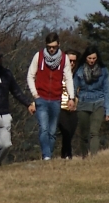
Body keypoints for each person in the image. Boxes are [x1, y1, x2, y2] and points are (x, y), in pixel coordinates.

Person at [27, 32, 75, 160]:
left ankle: (49, 155)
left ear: (58, 45)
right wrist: (34, 94)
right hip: (41, 98)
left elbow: (68, 78)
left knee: (52, 131)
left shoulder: (64, 58)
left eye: (54, 46)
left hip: (55, 99)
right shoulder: (39, 56)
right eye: (49, 46)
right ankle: (46, 156)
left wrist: (71, 97)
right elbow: (30, 75)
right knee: (44, 128)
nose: (51, 49)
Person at [73, 45, 109, 157]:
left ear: (97, 58)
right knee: (84, 134)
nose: (92, 61)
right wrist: (72, 101)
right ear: (86, 58)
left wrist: (108, 110)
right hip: (83, 103)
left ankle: (94, 157)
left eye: (94, 58)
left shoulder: (104, 71)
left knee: (94, 132)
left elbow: (107, 90)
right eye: (90, 58)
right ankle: (84, 157)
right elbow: (74, 88)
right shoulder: (79, 71)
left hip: (99, 102)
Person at [57, 49, 81, 159]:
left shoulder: (77, 74)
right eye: (69, 60)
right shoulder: (57, 73)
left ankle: (64, 154)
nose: (72, 63)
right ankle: (68, 154)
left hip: (73, 108)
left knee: (70, 132)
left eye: (74, 61)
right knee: (65, 130)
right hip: (60, 106)